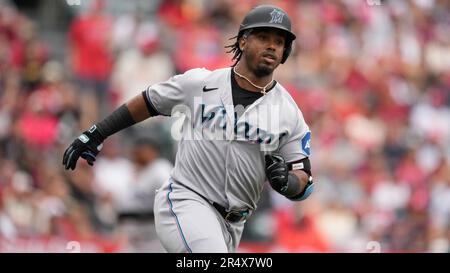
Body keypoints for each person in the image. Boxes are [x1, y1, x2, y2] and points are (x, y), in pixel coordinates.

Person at [63, 4, 314, 253]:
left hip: (233, 223)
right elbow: (149, 101)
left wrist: (287, 183)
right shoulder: (200, 83)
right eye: (263, 37)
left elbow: (305, 180)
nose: (272, 45)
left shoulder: (288, 112)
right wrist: (98, 132)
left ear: (285, 52)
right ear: (243, 42)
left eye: (279, 42)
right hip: (186, 200)